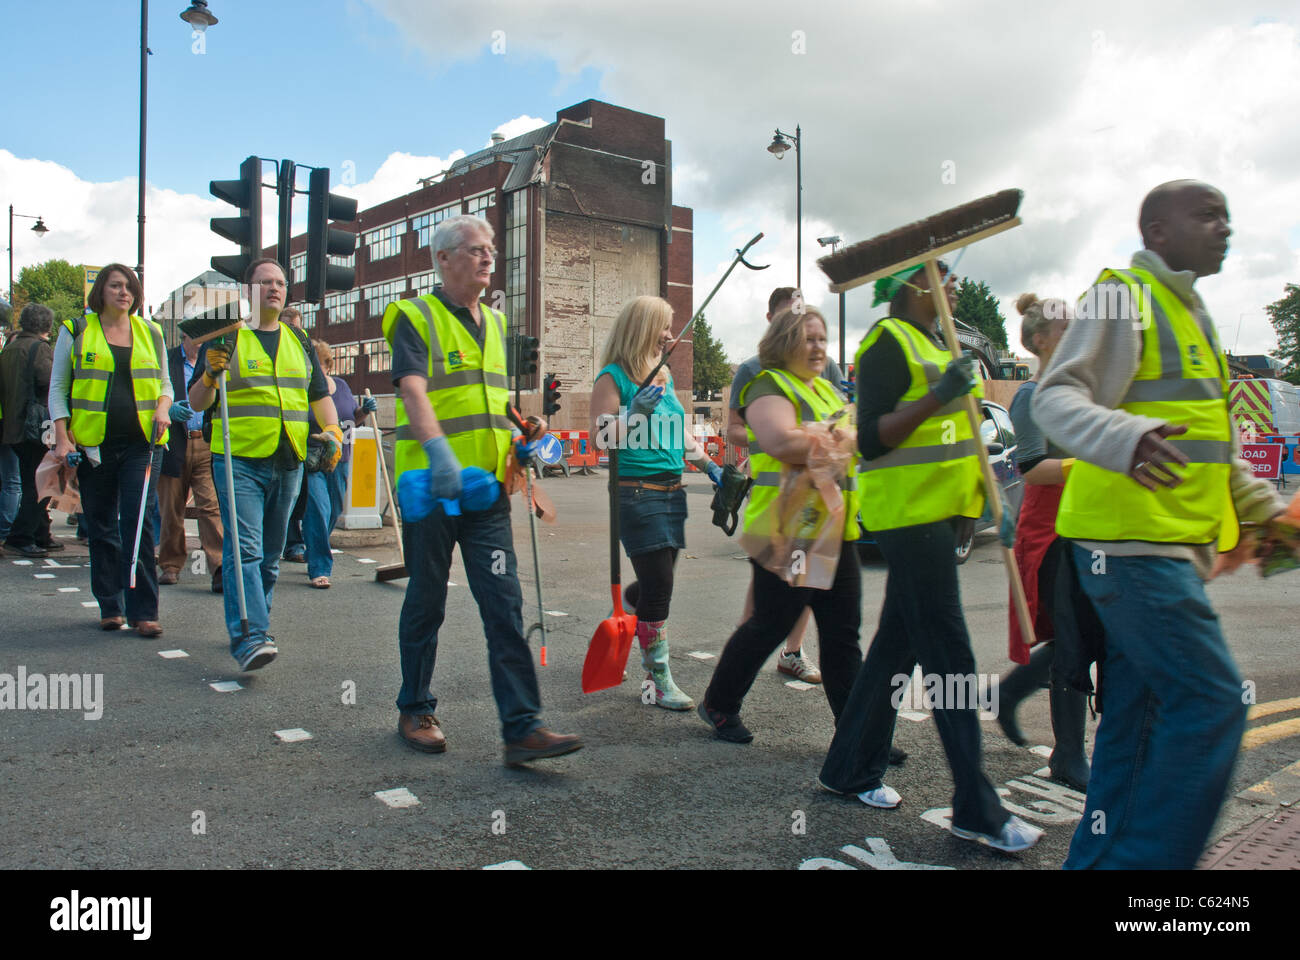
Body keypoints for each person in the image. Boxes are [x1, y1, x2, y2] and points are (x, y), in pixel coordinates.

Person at [1033, 180, 1285, 869]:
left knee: (1138, 727)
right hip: (1130, 549)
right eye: (1208, 215)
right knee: (1212, 704)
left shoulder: (1191, 312)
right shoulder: (1122, 293)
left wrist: (1265, 510)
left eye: (1228, 215)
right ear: (1156, 230)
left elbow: (1212, 445)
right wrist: (1125, 437)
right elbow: (1056, 399)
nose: (1224, 226)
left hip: (1166, 550)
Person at [818, 263, 1042, 854]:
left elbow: (958, 438)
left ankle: (847, 768)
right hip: (908, 517)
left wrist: (982, 506)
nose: (955, 284)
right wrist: (943, 392)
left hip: (941, 516)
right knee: (951, 656)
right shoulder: (887, 342)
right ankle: (975, 805)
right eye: (942, 275)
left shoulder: (936, 344)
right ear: (908, 284)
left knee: (898, 645)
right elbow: (871, 437)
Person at [381, 214, 580, 765]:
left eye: (490, 248)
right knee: (426, 598)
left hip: (487, 492)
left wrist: (522, 429)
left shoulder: (495, 325)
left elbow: (488, 401)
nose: (488, 257)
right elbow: (415, 391)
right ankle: (415, 707)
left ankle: (522, 727)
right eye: (474, 249)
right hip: (432, 486)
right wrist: (441, 453)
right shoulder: (415, 317)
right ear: (443, 260)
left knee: (503, 602)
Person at [698, 305, 863, 743]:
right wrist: (836, 438)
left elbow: (847, 441)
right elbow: (780, 441)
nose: (818, 347)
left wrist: (830, 437)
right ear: (785, 340)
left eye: (822, 338)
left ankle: (857, 731)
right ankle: (719, 703)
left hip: (833, 531)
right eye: (808, 338)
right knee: (770, 624)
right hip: (787, 530)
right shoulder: (766, 385)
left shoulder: (829, 391)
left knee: (843, 634)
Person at [188, 258, 343, 671]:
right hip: (238, 460)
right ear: (248, 291)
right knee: (247, 551)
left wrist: (334, 430)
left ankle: (257, 625)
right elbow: (196, 403)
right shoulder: (226, 339)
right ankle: (250, 634)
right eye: (264, 282)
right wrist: (207, 377)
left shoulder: (300, 341)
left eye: (280, 282)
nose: (274, 288)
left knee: (271, 555)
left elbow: (318, 395)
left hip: (289, 459)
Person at [590, 295, 724, 710]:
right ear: (643, 328)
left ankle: (634, 615)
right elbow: (600, 440)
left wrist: (712, 467)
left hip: (671, 492)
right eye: (664, 326)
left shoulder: (661, 373)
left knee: (656, 582)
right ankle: (658, 679)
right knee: (661, 586)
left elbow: (679, 432)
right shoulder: (613, 379)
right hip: (637, 492)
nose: (670, 335)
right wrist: (634, 415)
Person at [990, 294, 1091, 792]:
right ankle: (1069, 755)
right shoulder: (1032, 396)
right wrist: (1092, 461)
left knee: (1092, 634)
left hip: (1085, 526)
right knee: (1072, 638)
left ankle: (1011, 694)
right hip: (1048, 531)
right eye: (1066, 325)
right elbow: (1033, 470)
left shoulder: (1081, 390)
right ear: (1039, 340)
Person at [725, 287, 843, 684]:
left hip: (826, 510)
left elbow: (845, 422)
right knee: (768, 612)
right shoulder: (754, 371)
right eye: (789, 317)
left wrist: (828, 439)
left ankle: (792, 653)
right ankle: (734, 671)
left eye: (816, 334)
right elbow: (735, 431)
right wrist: (778, 437)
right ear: (773, 321)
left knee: (834, 618)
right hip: (781, 505)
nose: (811, 341)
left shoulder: (827, 372)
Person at [49, 267, 172, 636]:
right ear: (100, 291)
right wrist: (62, 437)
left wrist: (164, 408)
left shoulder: (150, 331)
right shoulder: (75, 331)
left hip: (143, 444)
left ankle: (144, 611)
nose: (124, 292)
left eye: (129, 287)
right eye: (115, 286)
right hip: (94, 446)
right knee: (101, 527)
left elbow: (164, 380)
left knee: (138, 524)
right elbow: (58, 387)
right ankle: (110, 604)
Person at [298, 338, 370, 588]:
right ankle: (319, 567)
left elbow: (352, 418)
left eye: (320, 365)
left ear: (327, 365)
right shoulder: (303, 389)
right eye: (311, 365)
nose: (315, 370)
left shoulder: (341, 386)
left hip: (340, 458)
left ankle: (313, 546)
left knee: (334, 509)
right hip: (313, 458)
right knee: (319, 508)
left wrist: (365, 411)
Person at [157, 332, 224, 593]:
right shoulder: (169, 359)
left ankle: (218, 566)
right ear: (184, 335)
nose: (201, 342)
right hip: (173, 440)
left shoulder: (213, 359)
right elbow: (155, 389)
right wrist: (169, 409)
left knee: (210, 506)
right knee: (171, 506)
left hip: (204, 441)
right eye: (197, 337)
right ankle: (171, 565)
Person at [0, 303, 57, 559]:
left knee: (29, 480)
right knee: (41, 483)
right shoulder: (40, 349)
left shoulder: (9, 349)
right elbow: (50, 382)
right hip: (35, 427)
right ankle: (22, 536)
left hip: (13, 425)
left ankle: (40, 534)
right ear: (46, 325)